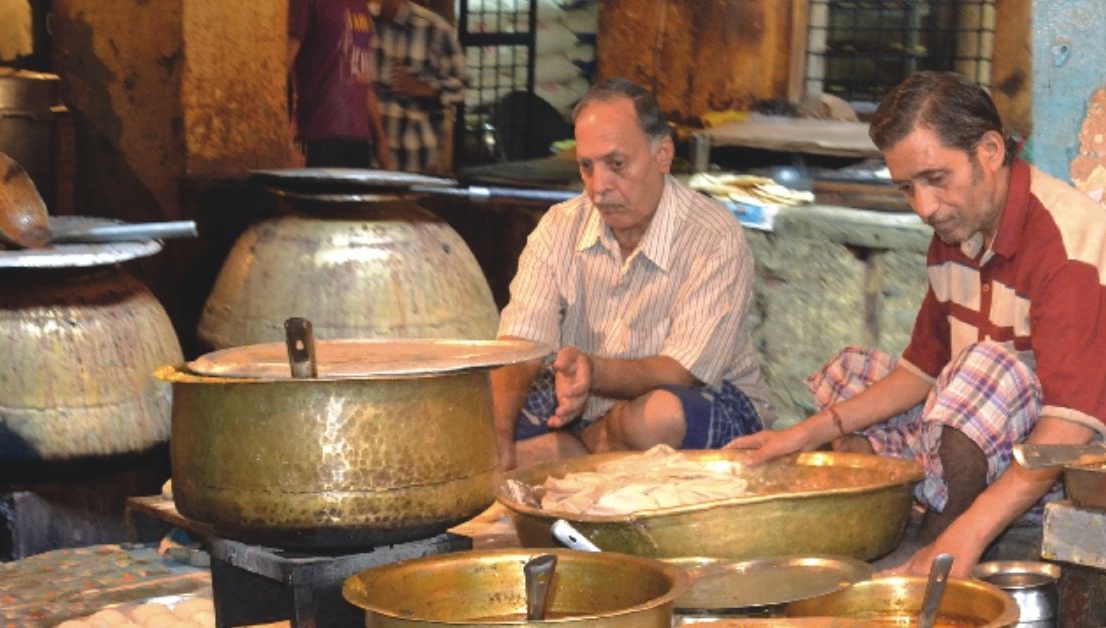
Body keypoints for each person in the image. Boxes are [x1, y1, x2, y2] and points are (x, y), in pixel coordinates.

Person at [727, 71, 1106, 578]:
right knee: (852, 372)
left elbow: (1067, 431)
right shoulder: (957, 227)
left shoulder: (1067, 244)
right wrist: (797, 436)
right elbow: (921, 371)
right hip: (989, 438)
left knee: (981, 372)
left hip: (1067, 465)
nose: (924, 207)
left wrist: (963, 538)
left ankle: (938, 541)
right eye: (907, 188)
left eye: (935, 179)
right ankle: (893, 517)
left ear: (990, 150)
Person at [492, 78, 775, 473]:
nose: (599, 187)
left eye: (617, 165)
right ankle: (581, 455)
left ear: (662, 155)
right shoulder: (560, 226)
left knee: (658, 417)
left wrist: (595, 372)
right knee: (477, 413)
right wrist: (499, 437)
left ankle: (570, 454)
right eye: (586, 167)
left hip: (700, 401)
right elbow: (518, 345)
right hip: (584, 411)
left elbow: (682, 371)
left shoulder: (712, 235)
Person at [288, 0, 389, 168]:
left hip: (358, 140)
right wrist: (286, 142)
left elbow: (362, 79)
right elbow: (282, 66)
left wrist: (380, 140)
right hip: (317, 137)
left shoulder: (360, 7)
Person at [370, 0, 468, 173]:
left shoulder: (434, 28)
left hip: (417, 157)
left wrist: (423, 88)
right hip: (370, 156)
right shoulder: (365, 22)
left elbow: (461, 86)